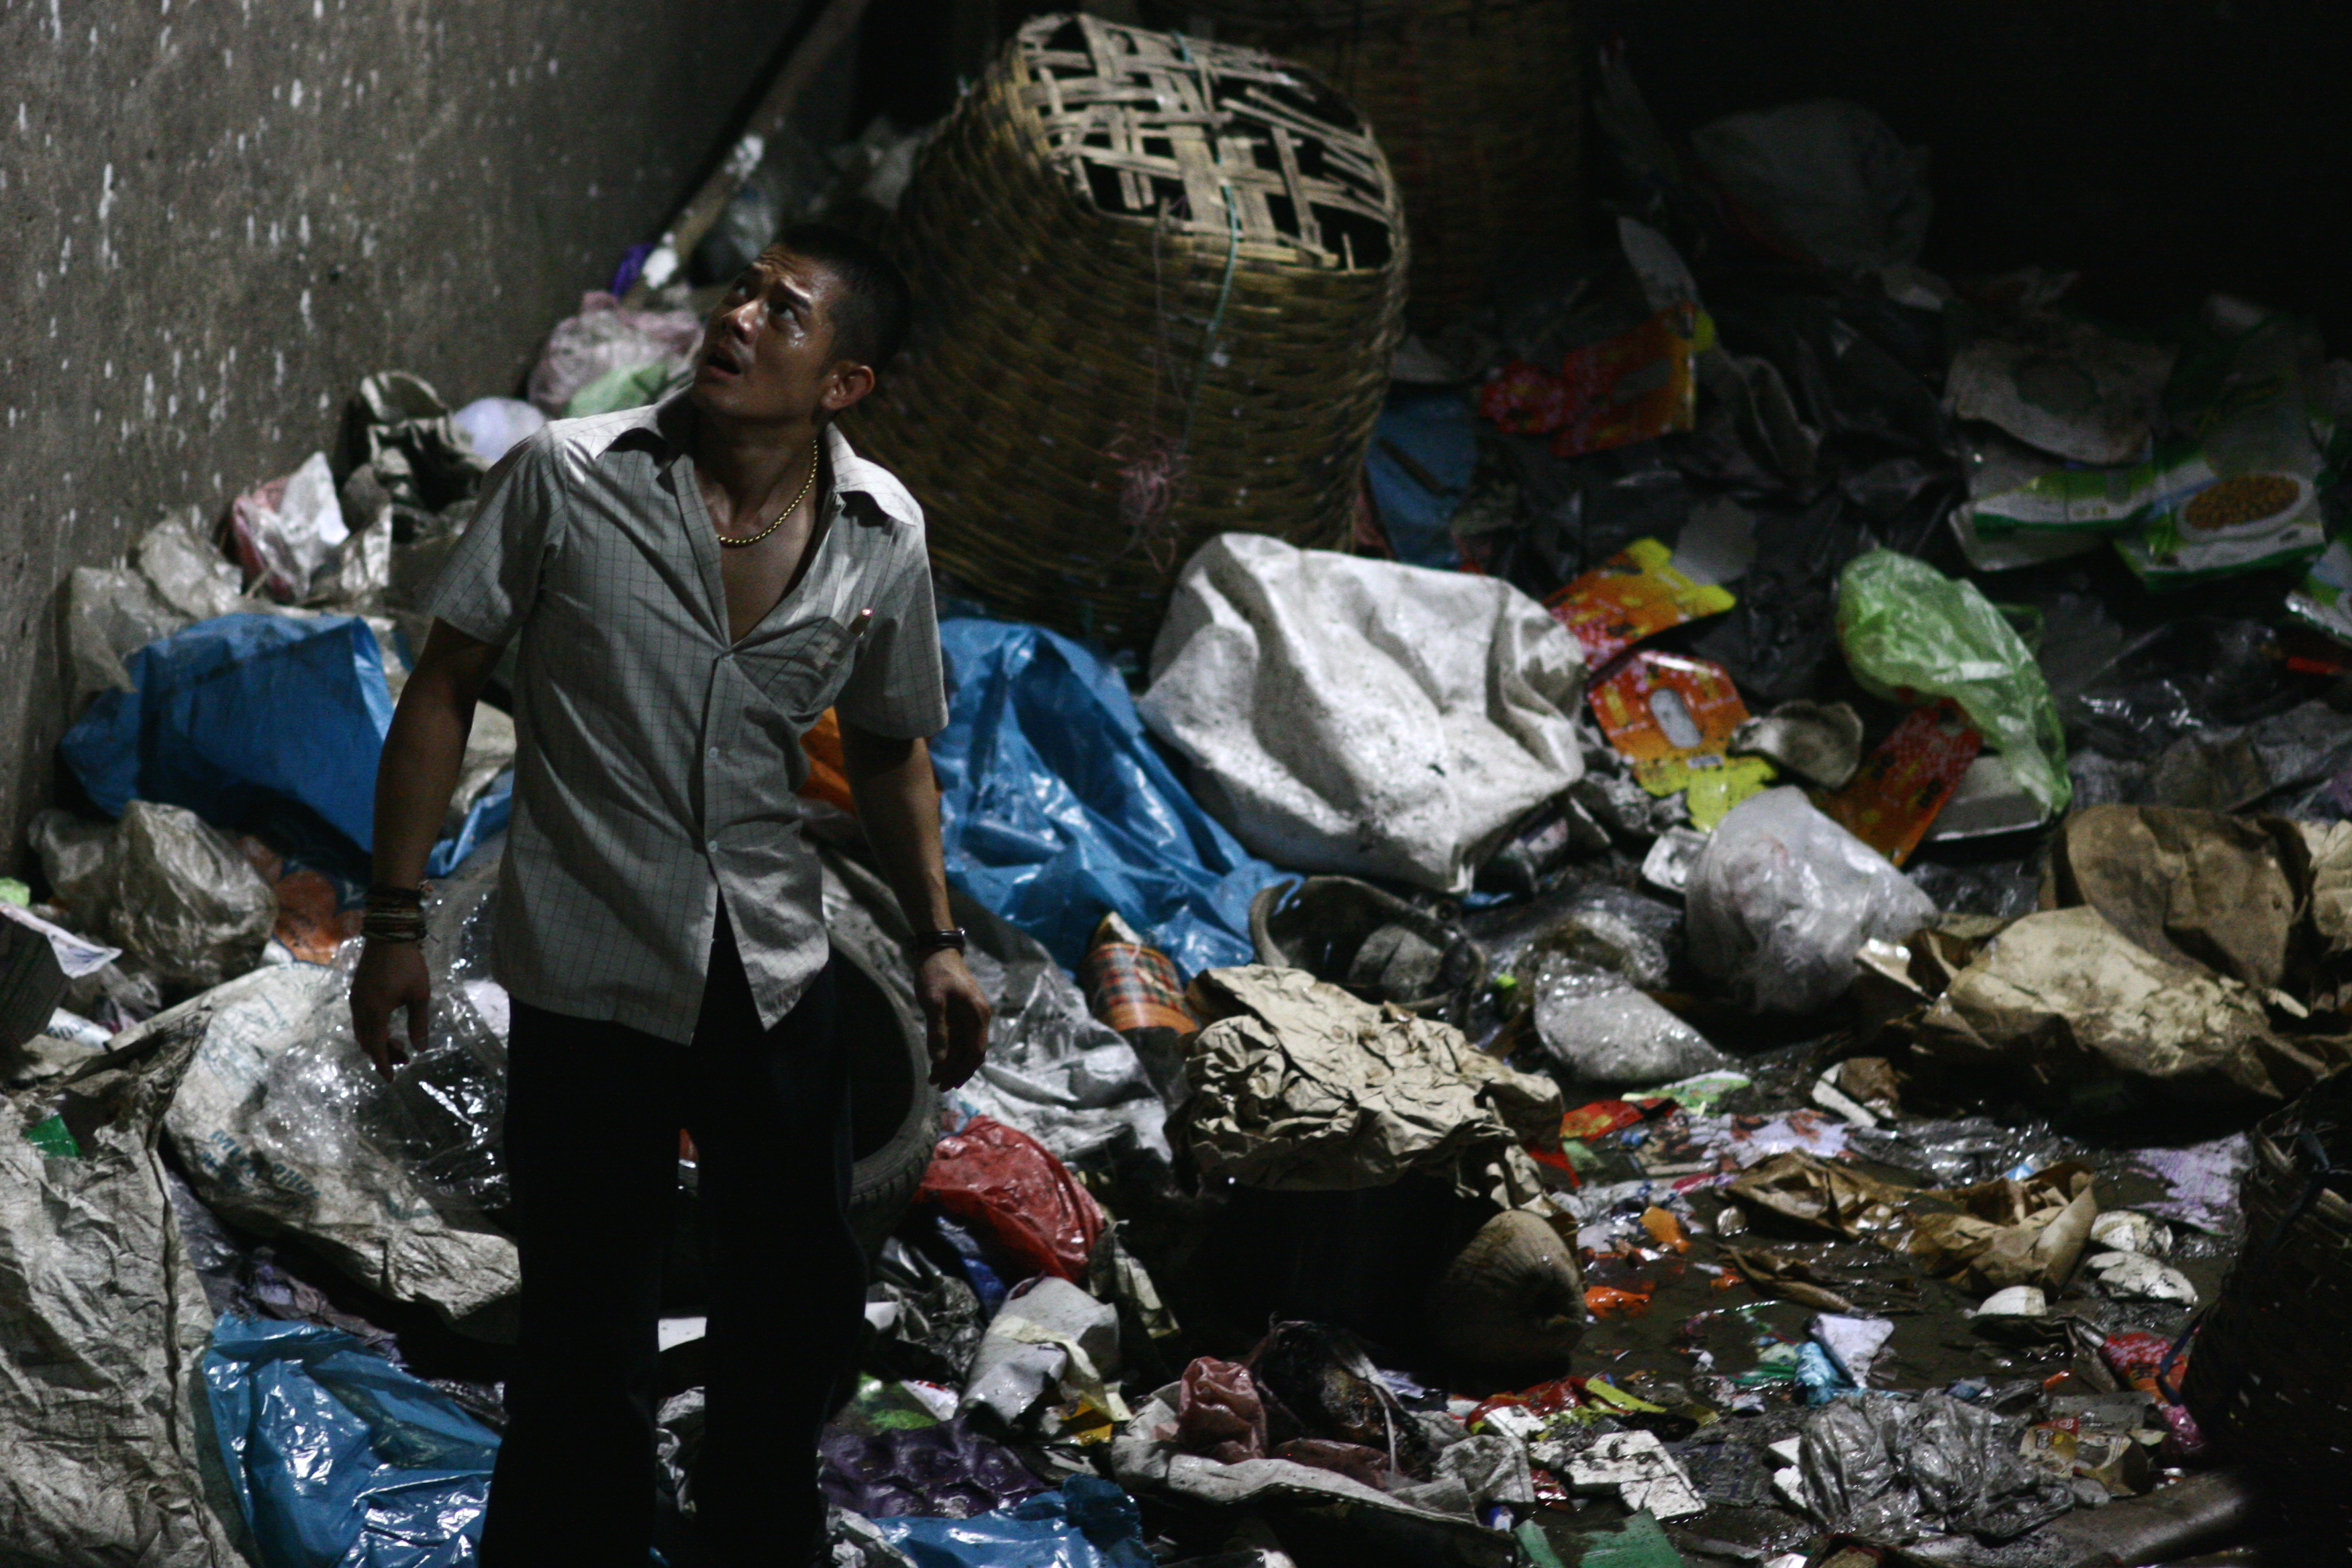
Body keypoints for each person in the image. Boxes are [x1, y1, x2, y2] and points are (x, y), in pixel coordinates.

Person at [350, 223, 991, 1568]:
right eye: (742, 290)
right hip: (591, 966)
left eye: (786, 311)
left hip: (769, 961)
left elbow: (885, 746)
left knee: (800, 1301)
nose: (740, 317)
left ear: (844, 384)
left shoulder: (883, 536)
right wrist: (397, 925)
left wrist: (937, 942)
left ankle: (750, 1532)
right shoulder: (573, 477)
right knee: (587, 1331)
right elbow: (447, 682)